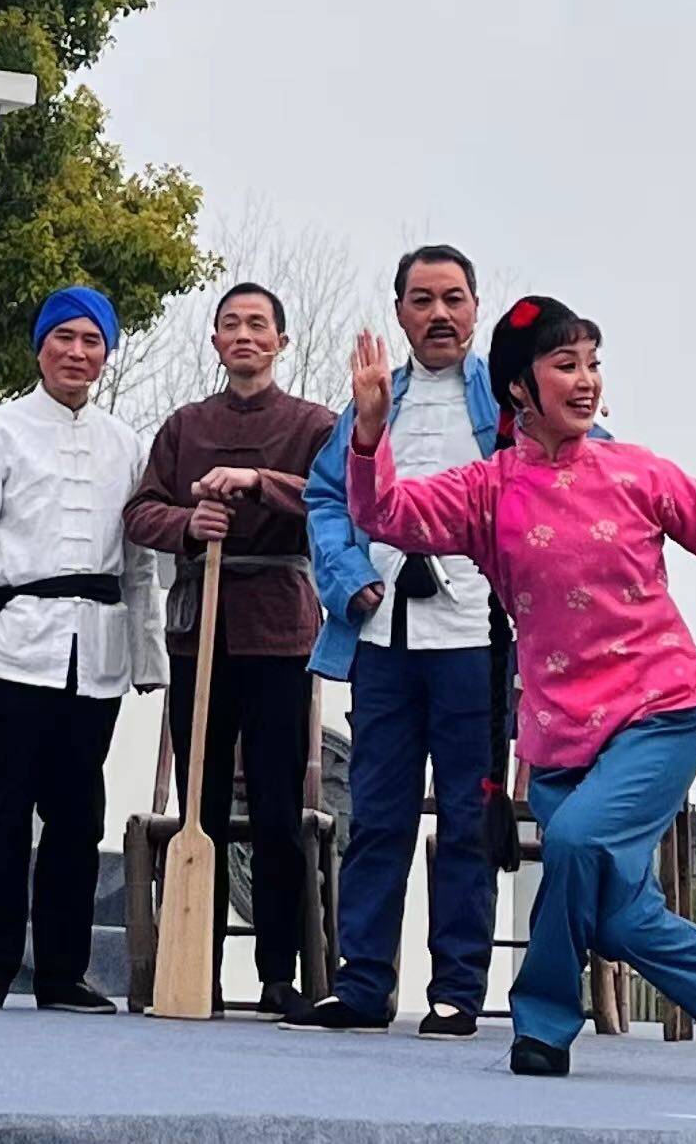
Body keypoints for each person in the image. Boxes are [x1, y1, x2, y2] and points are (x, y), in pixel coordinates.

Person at [343, 295, 696, 1083]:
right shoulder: (487, 490)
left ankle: (541, 1026)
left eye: (593, 364)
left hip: (660, 712)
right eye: (565, 364)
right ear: (519, 389)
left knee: (574, 844)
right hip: (560, 737)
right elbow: (386, 514)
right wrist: (369, 433)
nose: (586, 380)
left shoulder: (637, 472)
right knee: (615, 913)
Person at [288, 245, 506, 1039]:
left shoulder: (508, 404)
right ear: (400, 313)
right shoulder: (371, 403)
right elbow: (325, 498)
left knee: (467, 818)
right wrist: (347, 578)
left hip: (477, 637)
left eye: (452, 298)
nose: (439, 314)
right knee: (377, 815)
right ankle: (363, 983)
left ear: (475, 307)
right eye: (422, 300)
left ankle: (457, 989)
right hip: (384, 635)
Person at [0, 286, 168, 1014]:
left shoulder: (126, 442)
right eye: (63, 337)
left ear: (106, 353)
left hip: (95, 651)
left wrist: (148, 655)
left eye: (91, 340)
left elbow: (138, 563)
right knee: (0, 806)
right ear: (40, 347)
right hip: (12, 643)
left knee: (78, 812)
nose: (76, 352)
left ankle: (64, 971)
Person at [123, 282, 337, 1019]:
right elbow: (141, 511)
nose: (244, 335)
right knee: (202, 806)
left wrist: (258, 482)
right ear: (214, 341)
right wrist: (189, 524)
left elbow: (339, 500)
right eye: (230, 324)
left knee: (277, 808)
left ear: (280, 340)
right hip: (200, 637)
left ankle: (279, 972)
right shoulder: (185, 425)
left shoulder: (313, 424)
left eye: (257, 324)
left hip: (278, 632)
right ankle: (196, 968)